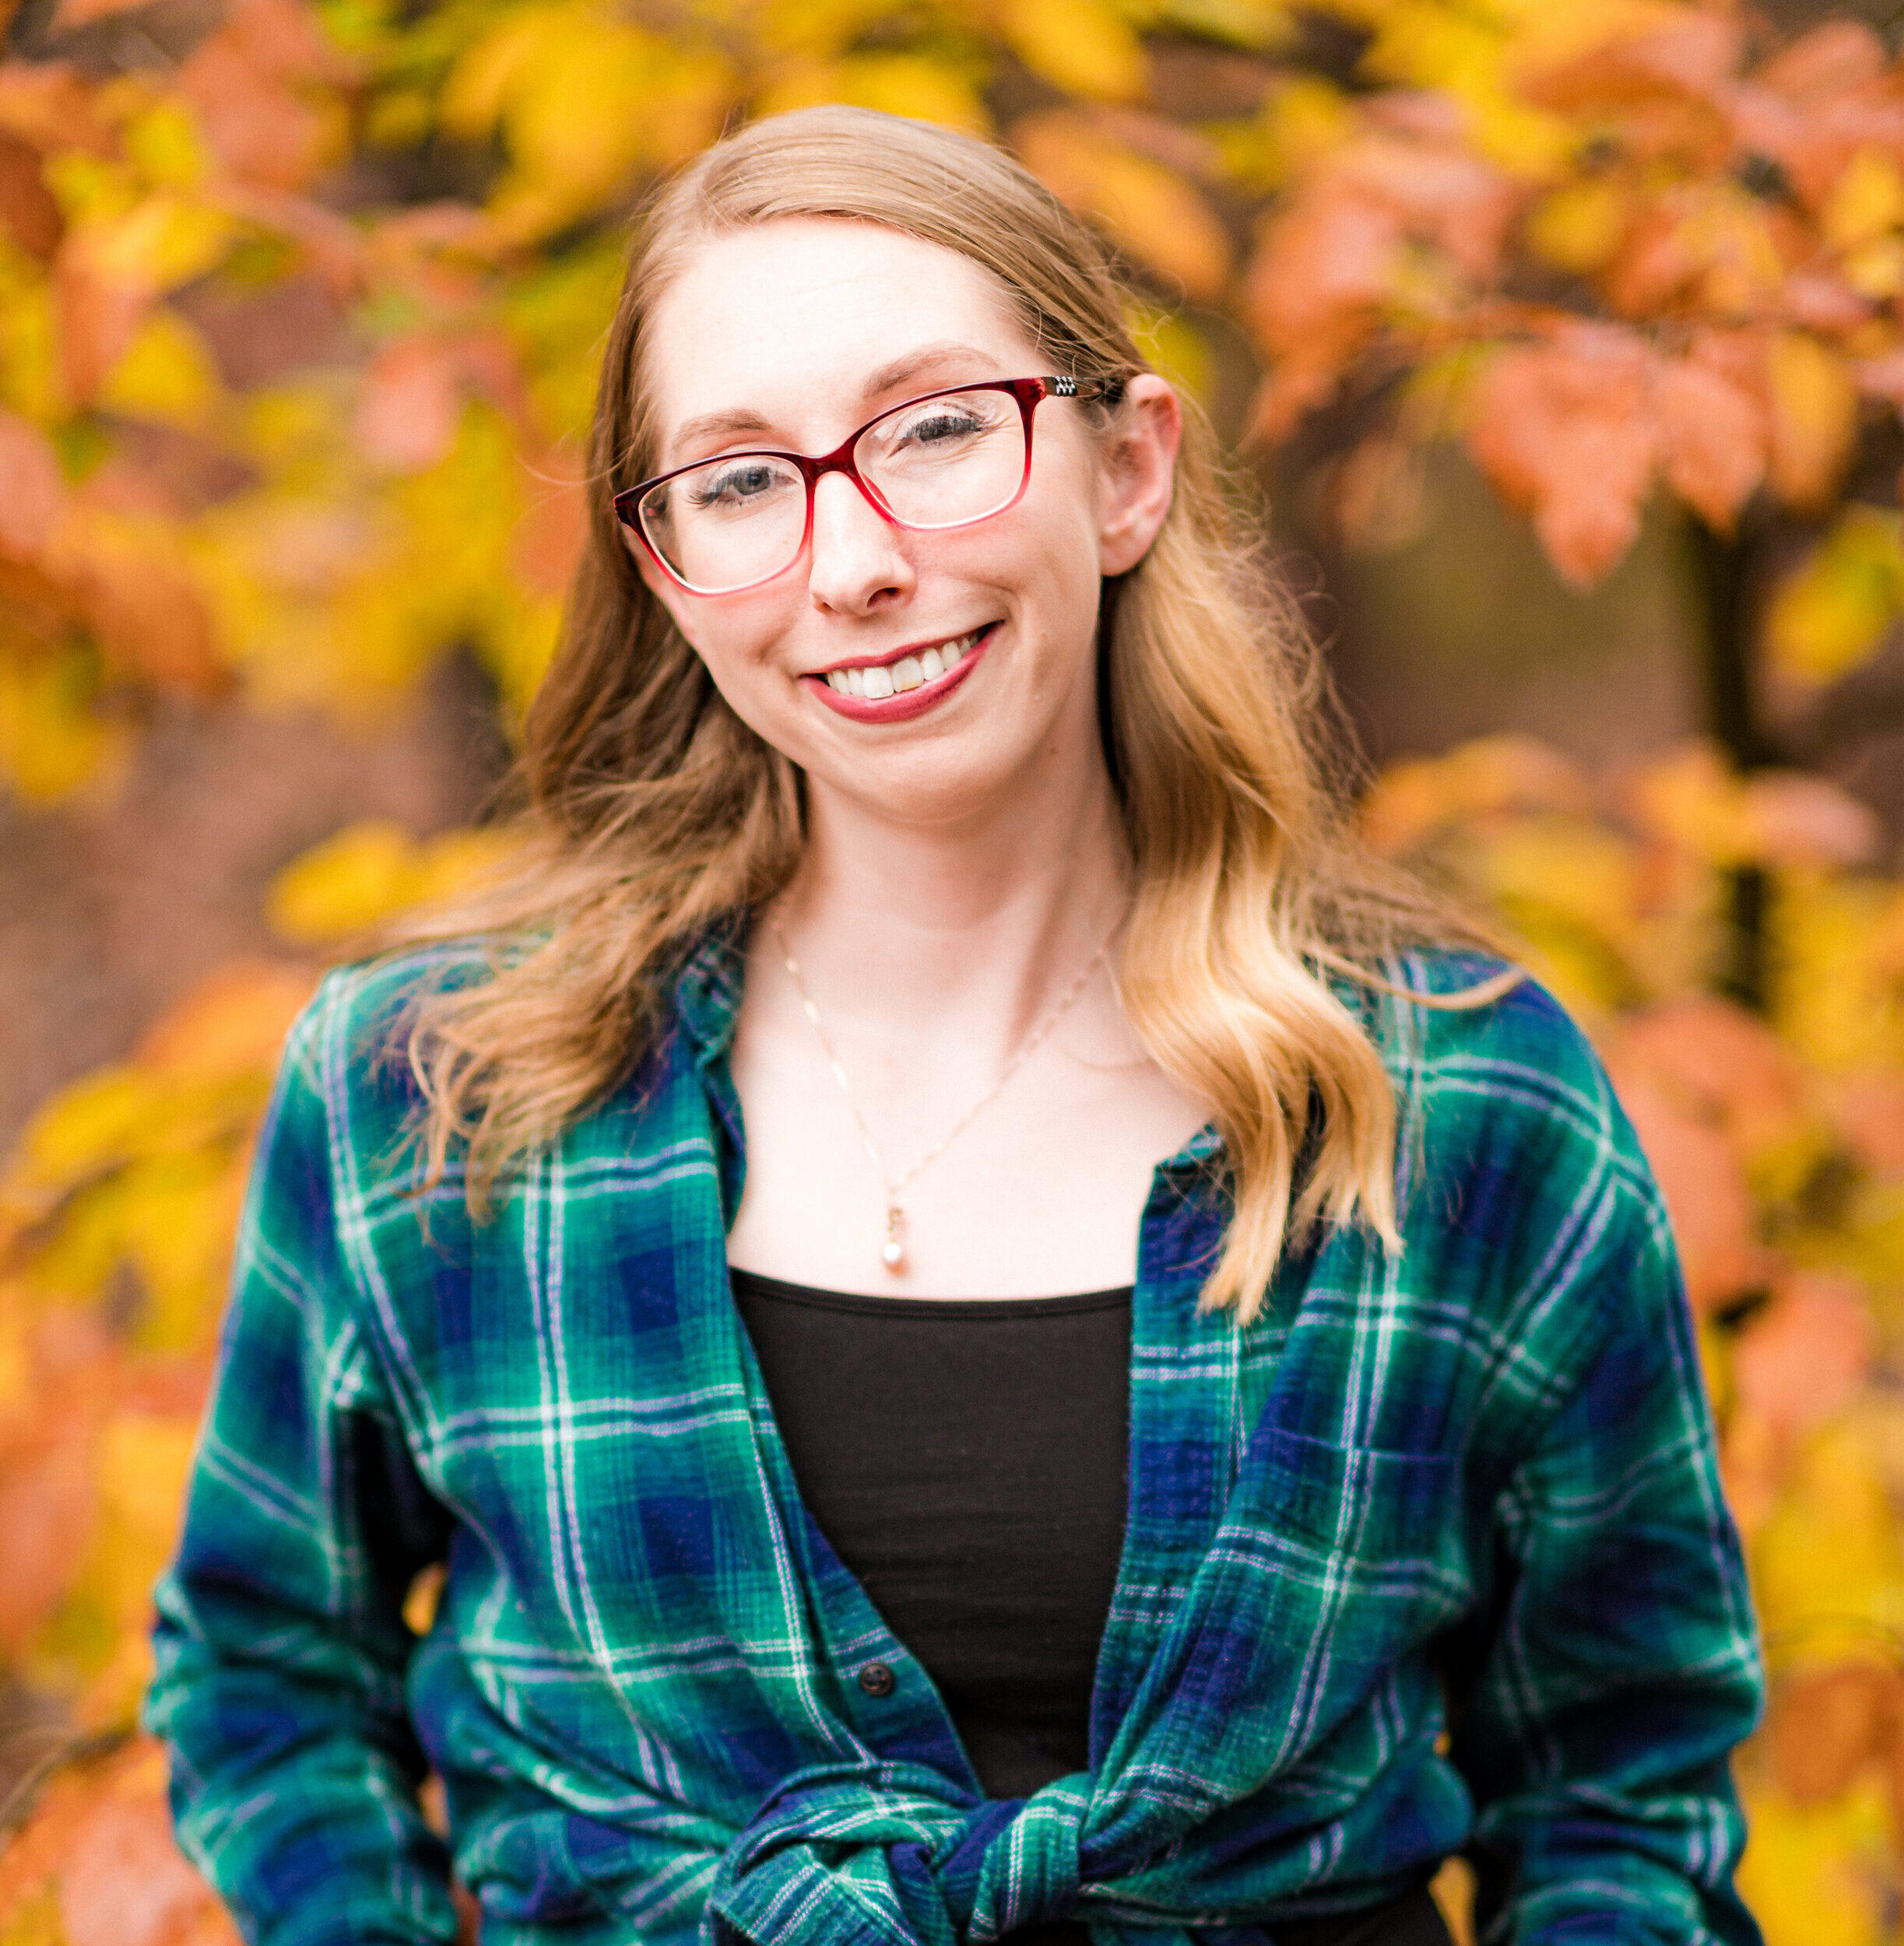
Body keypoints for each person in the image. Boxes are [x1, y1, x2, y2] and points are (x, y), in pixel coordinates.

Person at [144, 105, 1765, 1946]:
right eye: (738, 481)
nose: (849, 563)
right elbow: (266, 1666)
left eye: (930, 430)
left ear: (1125, 468)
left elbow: (1625, 1774)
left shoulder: (1457, 1103)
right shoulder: (433, 1098)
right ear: (662, 566)